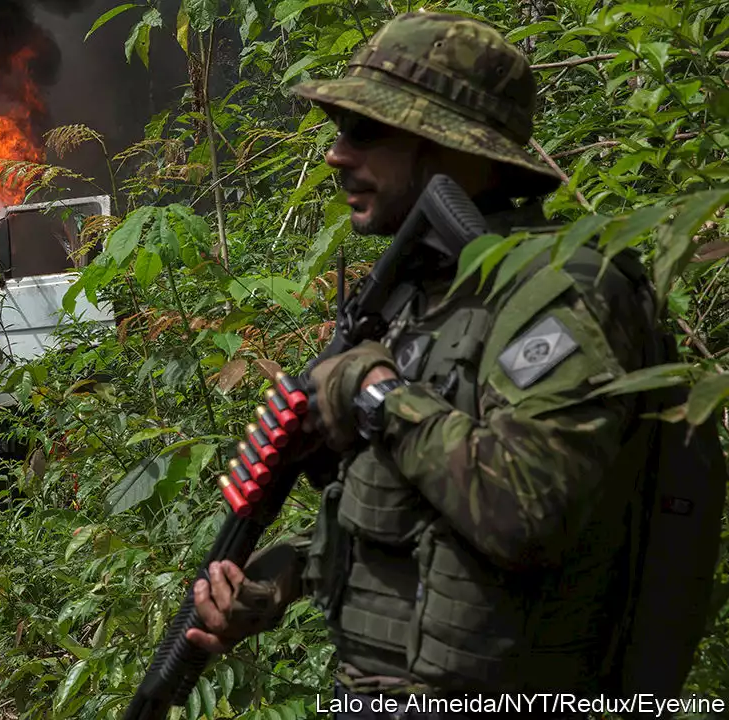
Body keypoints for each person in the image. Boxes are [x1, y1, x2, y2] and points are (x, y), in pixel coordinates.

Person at [186, 11, 669, 719]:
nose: (335, 155)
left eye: (366, 130)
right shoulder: (432, 296)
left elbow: (527, 510)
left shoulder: (562, 293)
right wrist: (277, 585)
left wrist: (373, 394)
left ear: (450, 145)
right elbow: (408, 517)